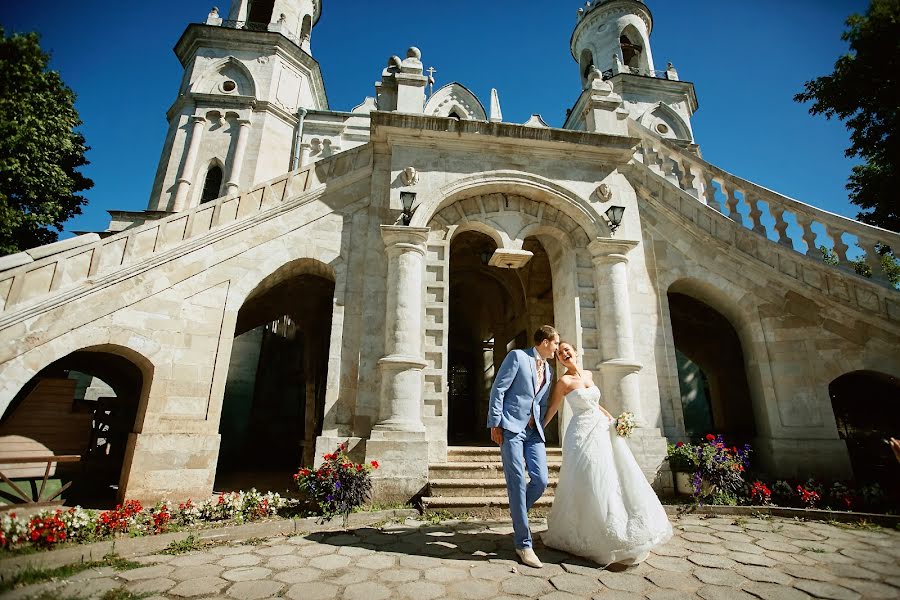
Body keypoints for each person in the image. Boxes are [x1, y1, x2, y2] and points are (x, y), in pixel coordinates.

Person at [541, 341, 672, 566]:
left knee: (610, 475)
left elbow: (595, 405)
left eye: (566, 350)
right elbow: (553, 407)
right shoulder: (564, 381)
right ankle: (589, 529)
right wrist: (538, 429)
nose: (564, 354)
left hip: (601, 429)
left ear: (575, 351)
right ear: (559, 359)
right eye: (560, 353)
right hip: (580, 434)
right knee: (589, 476)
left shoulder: (589, 375)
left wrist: (614, 419)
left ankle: (615, 523)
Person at [486, 325, 559, 568]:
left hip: (533, 431)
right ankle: (523, 544)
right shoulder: (517, 356)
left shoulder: (548, 369)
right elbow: (499, 389)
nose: (557, 348)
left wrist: (540, 424)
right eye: (556, 343)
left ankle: (518, 512)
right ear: (545, 342)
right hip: (511, 428)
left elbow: (541, 402)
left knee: (540, 480)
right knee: (516, 480)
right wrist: (496, 423)